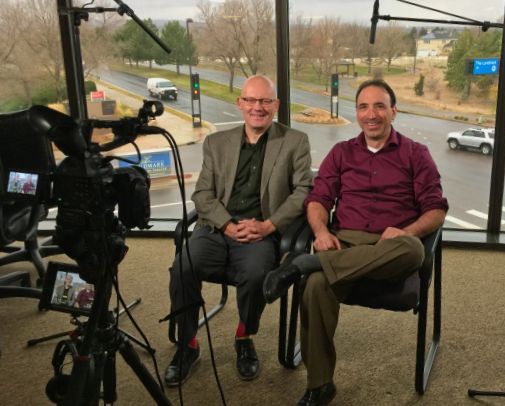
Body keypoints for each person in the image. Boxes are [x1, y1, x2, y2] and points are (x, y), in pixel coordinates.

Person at [263, 79, 448, 405]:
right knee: (316, 286)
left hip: (391, 248)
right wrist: (321, 233)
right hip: (344, 244)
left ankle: (307, 264)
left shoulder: (415, 154)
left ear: (394, 111)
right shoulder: (341, 153)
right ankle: (320, 384)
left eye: (379, 106)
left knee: (414, 249)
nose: (371, 114)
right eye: (363, 106)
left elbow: (435, 210)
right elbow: (318, 200)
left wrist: (408, 232)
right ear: (357, 112)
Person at [165, 75, 313, 386]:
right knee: (182, 269)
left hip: (261, 230)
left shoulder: (294, 141)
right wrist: (228, 226)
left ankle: (245, 335)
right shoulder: (217, 143)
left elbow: (303, 192)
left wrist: (268, 225)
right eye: (250, 100)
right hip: (217, 227)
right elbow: (203, 194)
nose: (257, 107)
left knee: (257, 273)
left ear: (275, 105)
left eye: (265, 101)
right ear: (240, 103)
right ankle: (188, 344)